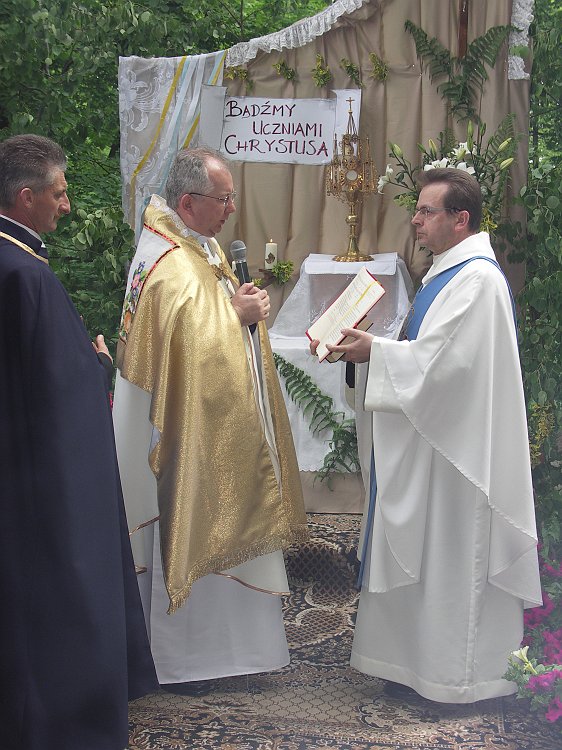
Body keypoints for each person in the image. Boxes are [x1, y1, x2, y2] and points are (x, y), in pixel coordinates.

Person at [312, 168, 542, 703]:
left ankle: (454, 679)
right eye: (416, 210)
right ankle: (407, 665)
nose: (415, 220)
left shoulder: (478, 280)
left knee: (451, 560)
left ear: (460, 219)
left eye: (425, 211)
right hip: (431, 441)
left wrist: (377, 352)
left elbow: (445, 367)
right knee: (423, 557)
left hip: (460, 457)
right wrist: (370, 352)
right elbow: (424, 353)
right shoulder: (448, 271)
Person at [112, 146, 308, 693]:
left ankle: (236, 652)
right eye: (223, 199)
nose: (231, 208)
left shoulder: (197, 245)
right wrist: (233, 313)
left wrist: (234, 304)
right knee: (192, 515)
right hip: (184, 433)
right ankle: (193, 660)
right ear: (187, 202)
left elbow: (200, 318)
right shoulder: (167, 263)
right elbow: (178, 348)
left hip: (218, 419)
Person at [0, 133, 157, 750]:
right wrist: (93, 366)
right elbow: (54, 387)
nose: (66, 205)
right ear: (26, 197)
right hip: (36, 475)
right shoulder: (24, 274)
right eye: (59, 194)